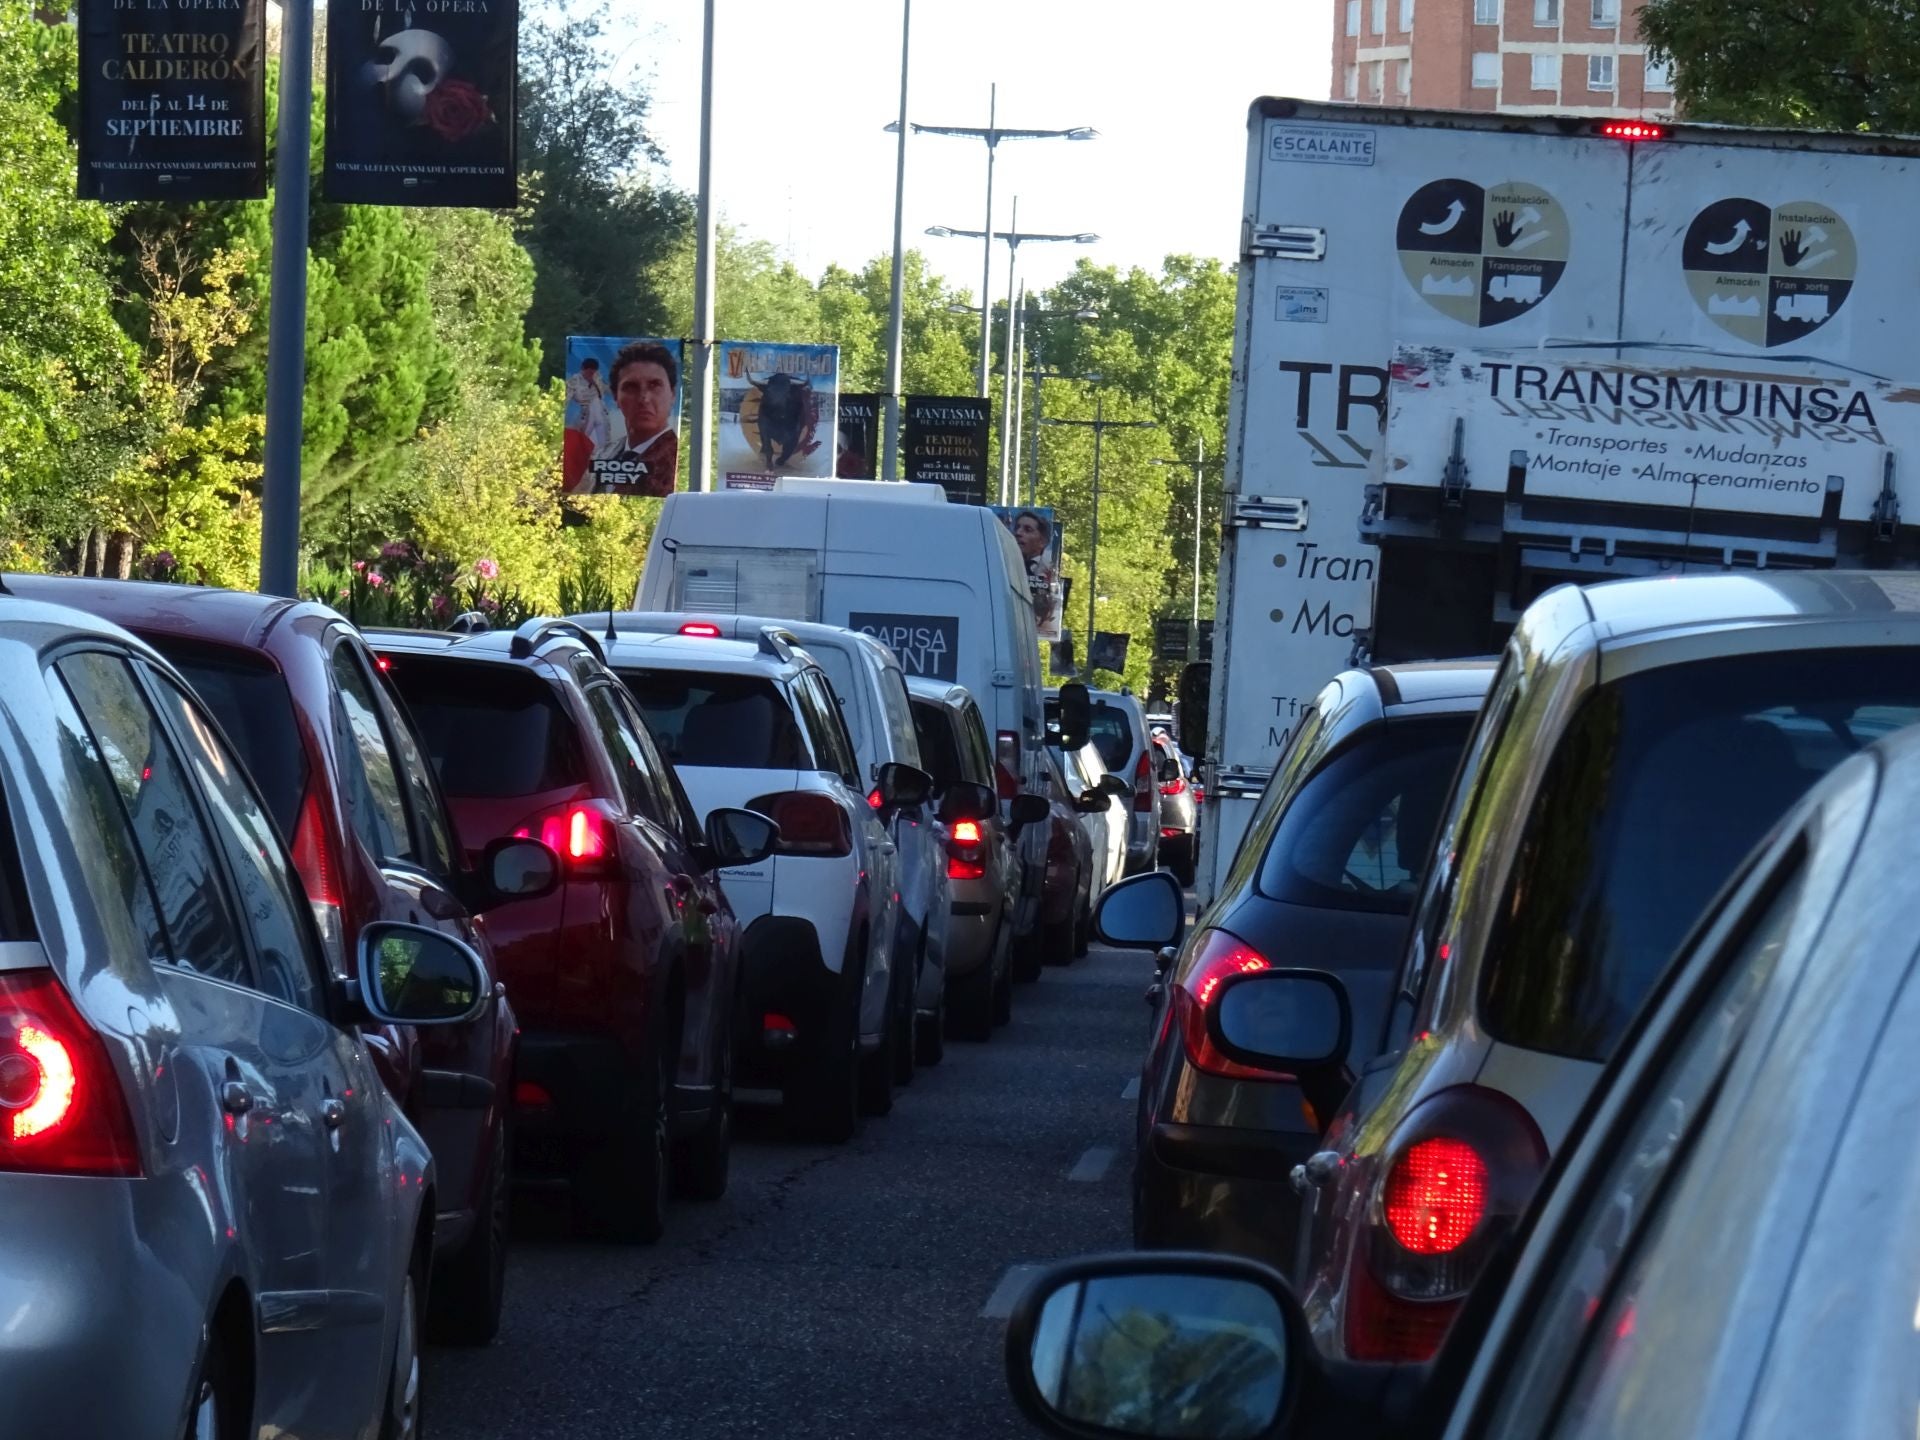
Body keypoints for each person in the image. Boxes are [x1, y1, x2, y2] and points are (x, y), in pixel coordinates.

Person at [585, 342, 680, 497]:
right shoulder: (605, 454)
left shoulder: (676, 460)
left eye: (654, 385)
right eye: (631, 387)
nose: (644, 398)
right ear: (616, 396)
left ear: (673, 394)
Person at [562, 357, 611, 491]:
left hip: (601, 414)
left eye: (593, 371)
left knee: (604, 448)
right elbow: (565, 400)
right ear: (583, 369)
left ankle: (599, 480)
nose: (591, 374)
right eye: (588, 372)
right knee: (584, 447)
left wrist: (596, 382)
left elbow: (608, 391)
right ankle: (581, 479)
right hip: (585, 415)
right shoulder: (574, 381)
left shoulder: (598, 379)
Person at [1009, 509, 1060, 632]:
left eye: (1027, 530)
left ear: (1042, 542)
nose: (1018, 533)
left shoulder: (1048, 568)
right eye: (1017, 528)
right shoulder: (1003, 564)